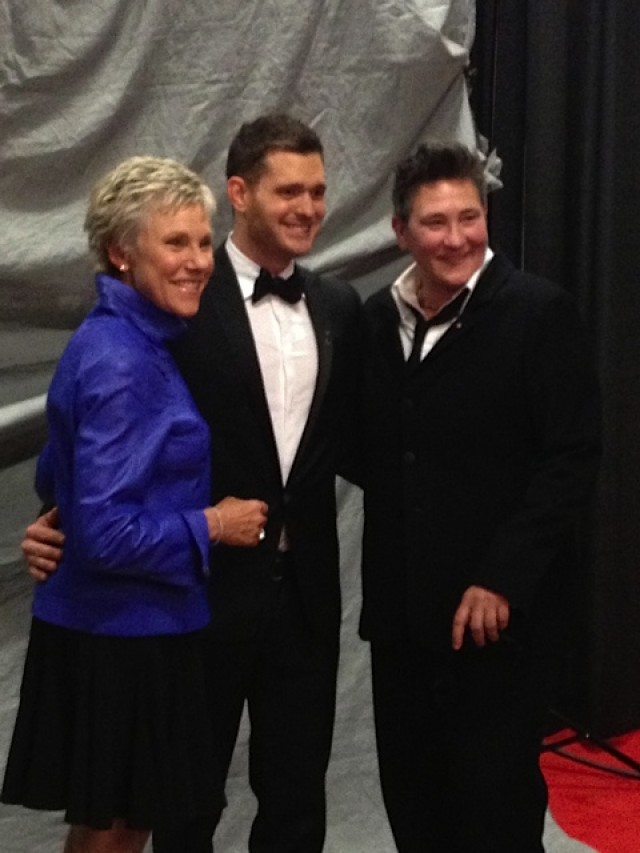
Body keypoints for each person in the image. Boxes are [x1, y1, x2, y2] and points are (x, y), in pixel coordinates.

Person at [21, 115, 363, 853]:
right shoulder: (163, 314)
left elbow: (366, 441)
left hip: (300, 596)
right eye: (288, 191)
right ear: (239, 193)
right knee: (164, 809)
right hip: (187, 602)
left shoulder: (336, 307)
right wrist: (61, 519)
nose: (307, 207)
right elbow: (88, 446)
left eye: (318, 191)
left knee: (290, 797)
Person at [1, 155, 267, 853]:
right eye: (175, 242)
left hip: (121, 627)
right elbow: (106, 533)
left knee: (112, 826)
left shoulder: (129, 339)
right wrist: (216, 522)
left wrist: (58, 523)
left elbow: (59, 482)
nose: (198, 260)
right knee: (115, 832)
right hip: (123, 635)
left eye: (204, 241)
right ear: (122, 252)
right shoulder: (123, 358)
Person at [358, 141, 601, 852]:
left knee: (493, 809)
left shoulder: (539, 313)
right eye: (435, 222)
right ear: (401, 231)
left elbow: (573, 457)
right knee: (415, 803)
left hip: (499, 625)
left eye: (470, 216)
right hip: (402, 619)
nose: (457, 236)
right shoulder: (376, 321)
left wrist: (502, 576)